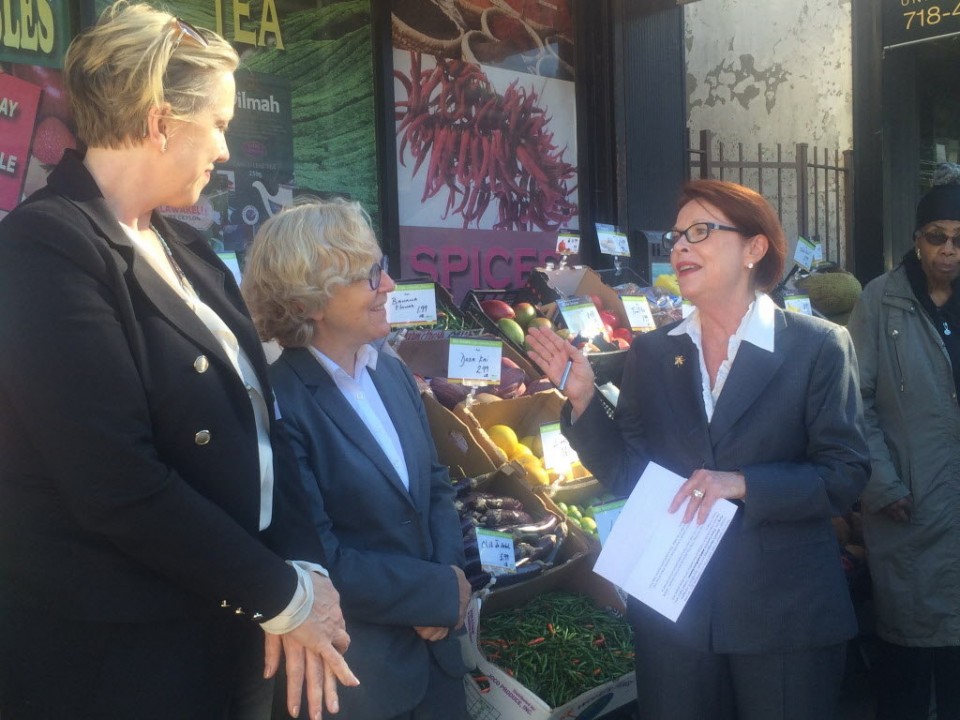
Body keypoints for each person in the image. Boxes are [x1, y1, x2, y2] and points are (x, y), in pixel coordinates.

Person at [0, 4, 358, 719]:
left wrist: (306, 570)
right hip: (116, 658)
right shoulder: (42, 251)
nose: (226, 150)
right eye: (219, 124)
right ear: (162, 123)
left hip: (222, 623)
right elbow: (115, 483)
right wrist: (283, 595)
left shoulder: (193, 253)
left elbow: (266, 423)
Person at [525, 179, 870, 720]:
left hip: (783, 615)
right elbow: (630, 475)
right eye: (677, 235)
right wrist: (586, 401)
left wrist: (744, 483)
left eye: (701, 232)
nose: (680, 247)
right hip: (675, 613)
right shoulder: (654, 352)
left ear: (755, 248)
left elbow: (845, 473)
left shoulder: (817, 346)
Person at [241, 198, 473, 720]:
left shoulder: (389, 373)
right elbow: (320, 558)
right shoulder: (280, 405)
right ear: (311, 301)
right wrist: (434, 594)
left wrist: (450, 580)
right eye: (371, 275)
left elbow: (435, 484)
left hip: (437, 667)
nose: (389, 285)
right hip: (363, 686)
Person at [846, 163, 960, 720]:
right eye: (937, 236)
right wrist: (883, 484)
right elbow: (854, 403)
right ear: (916, 241)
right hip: (910, 507)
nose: (949, 250)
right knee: (910, 659)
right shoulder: (880, 300)